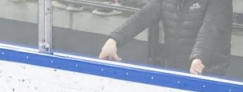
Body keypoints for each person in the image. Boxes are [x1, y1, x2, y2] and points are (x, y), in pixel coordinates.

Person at [98, 0, 233, 75]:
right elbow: (143, 16)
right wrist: (114, 39)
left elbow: (211, 27)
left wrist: (198, 57)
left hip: (207, 72)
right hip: (176, 69)